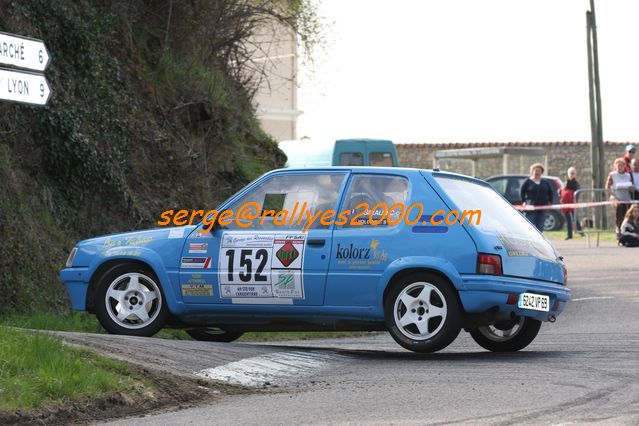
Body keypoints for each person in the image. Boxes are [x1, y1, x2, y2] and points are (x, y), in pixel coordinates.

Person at [520, 163, 554, 232]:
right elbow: (522, 192)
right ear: (532, 171)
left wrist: (550, 201)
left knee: (540, 226)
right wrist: (523, 202)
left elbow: (550, 193)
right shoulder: (527, 182)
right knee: (529, 226)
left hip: (542, 208)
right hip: (530, 208)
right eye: (535, 170)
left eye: (539, 171)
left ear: (541, 172)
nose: (537, 172)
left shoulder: (545, 183)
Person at [606, 158, 635, 236]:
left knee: (629, 213)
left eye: (622, 165)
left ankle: (628, 229)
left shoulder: (628, 175)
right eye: (618, 165)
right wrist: (613, 197)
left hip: (626, 198)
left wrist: (631, 188)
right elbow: (607, 188)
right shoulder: (612, 175)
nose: (620, 167)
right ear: (615, 166)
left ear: (624, 166)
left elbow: (631, 188)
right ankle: (618, 229)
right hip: (616, 198)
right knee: (620, 211)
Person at [561, 167, 583, 240]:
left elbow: (578, 193)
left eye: (573, 173)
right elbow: (560, 191)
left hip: (573, 203)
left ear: (575, 175)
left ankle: (580, 232)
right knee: (568, 220)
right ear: (568, 174)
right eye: (570, 173)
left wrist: (575, 201)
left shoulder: (576, 184)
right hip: (565, 204)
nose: (571, 175)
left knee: (575, 218)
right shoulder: (565, 183)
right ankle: (569, 235)